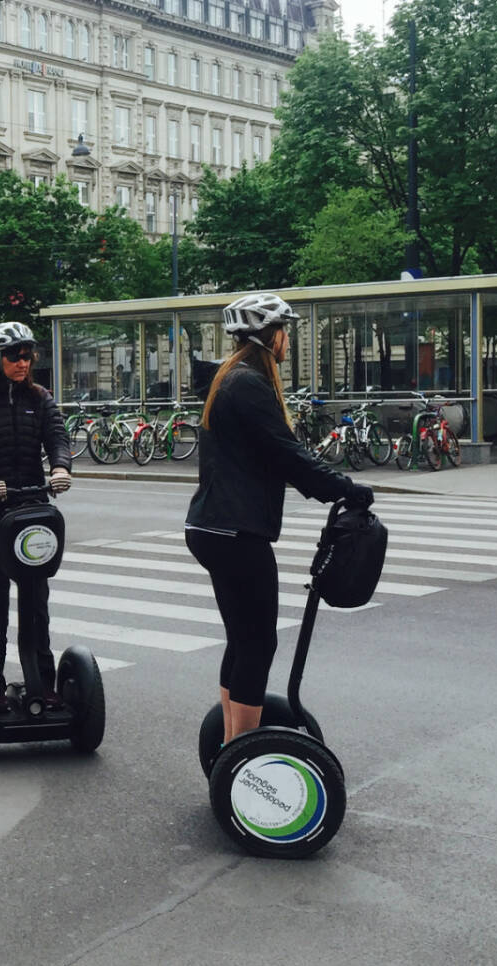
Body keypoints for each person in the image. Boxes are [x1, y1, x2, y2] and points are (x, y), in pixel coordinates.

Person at [185, 293, 374, 745]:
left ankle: (232, 747)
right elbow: (287, 455)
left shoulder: (227, 379)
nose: (289, 339)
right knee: (257, 643)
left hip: (212, 526)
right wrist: (346, 489)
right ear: (273, 337)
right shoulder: (248, 383)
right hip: (235, 530)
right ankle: (240, 756)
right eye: (286, 330)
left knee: (242, 638)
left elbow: (272, 456)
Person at [0, 321, 72, 712]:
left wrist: (59, 468)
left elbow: (57, 437)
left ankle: (43, 683)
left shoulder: (39, 398)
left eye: (26, 355)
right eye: (13, 356)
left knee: (36, 600)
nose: (22, 362)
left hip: (30, 509)